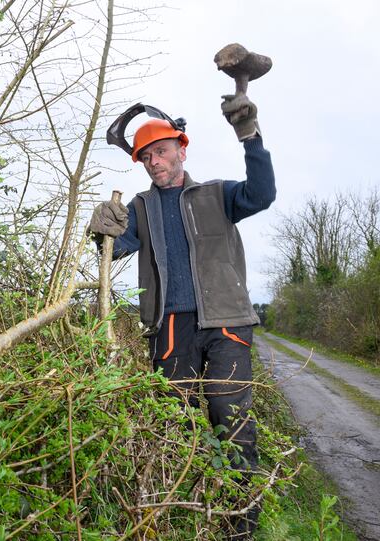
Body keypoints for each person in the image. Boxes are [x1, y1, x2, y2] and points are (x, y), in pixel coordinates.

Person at [89, 95, 276, 539]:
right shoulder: (140, 207)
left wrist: (250, 136)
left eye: (161, 151)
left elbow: (263, 194)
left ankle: (238, 528)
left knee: (231, 420)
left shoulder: (218, 194)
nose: (154, 162)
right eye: (146, 156)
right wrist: (101, 229)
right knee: (175, 420)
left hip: (226, 322)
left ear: (182, 149)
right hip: (169, 328)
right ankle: (186, 514)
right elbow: (115, 247)